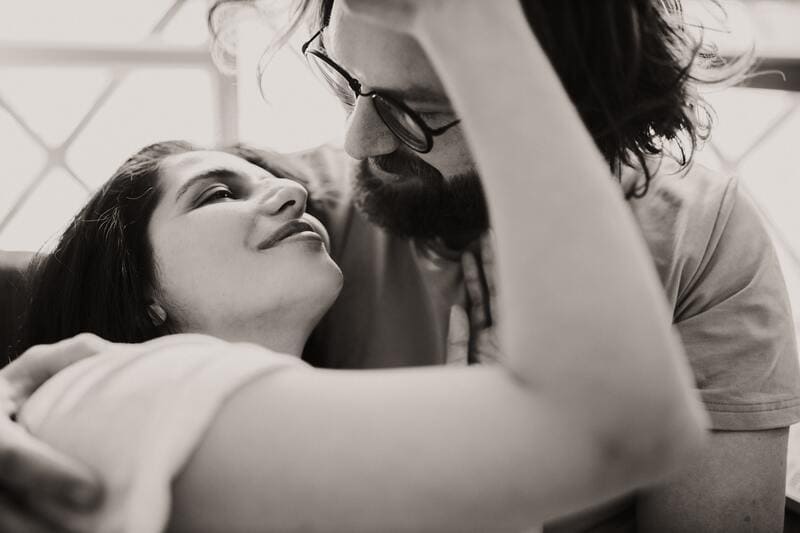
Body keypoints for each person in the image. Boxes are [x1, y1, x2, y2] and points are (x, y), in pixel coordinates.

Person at [0, 0, 795, 530]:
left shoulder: (700, 239)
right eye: (346, 78)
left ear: (551, 109)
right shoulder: (302, 221)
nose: (351, 145)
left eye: (417, 110)